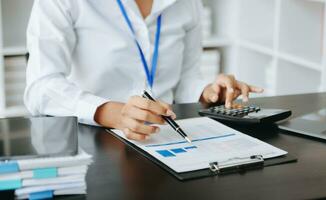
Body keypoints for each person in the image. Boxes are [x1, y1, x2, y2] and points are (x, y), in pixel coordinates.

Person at [24, 0, 263, 141]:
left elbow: (185, 80)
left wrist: (209, 93)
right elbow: (40, 87)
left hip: (164, 134)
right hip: (90, 135)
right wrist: (109, 112)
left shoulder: (188, 3)